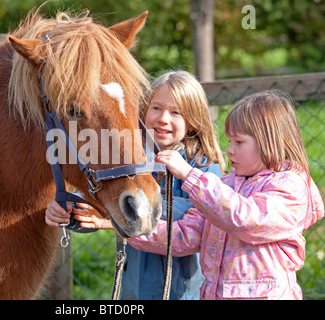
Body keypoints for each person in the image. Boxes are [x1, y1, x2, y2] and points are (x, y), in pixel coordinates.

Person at [45, 70, 227, 299]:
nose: (163, 118)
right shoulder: (131, 161)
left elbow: (198, 218)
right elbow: (103, 202)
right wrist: (71, 211)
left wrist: (109, 220)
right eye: (156, 108)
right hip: (135, 291)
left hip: (183, 293)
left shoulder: (203, 168)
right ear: (143, 111)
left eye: (176, 112)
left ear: (192, 123)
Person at [128, 89, 324, 299]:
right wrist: (126, 226)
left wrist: (189, 174)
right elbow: (185, 235)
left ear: (270, 142)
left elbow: (245, 218)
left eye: (238, 142)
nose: (229, 150)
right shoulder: (227, 185)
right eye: (230, 141)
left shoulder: (289, 186)